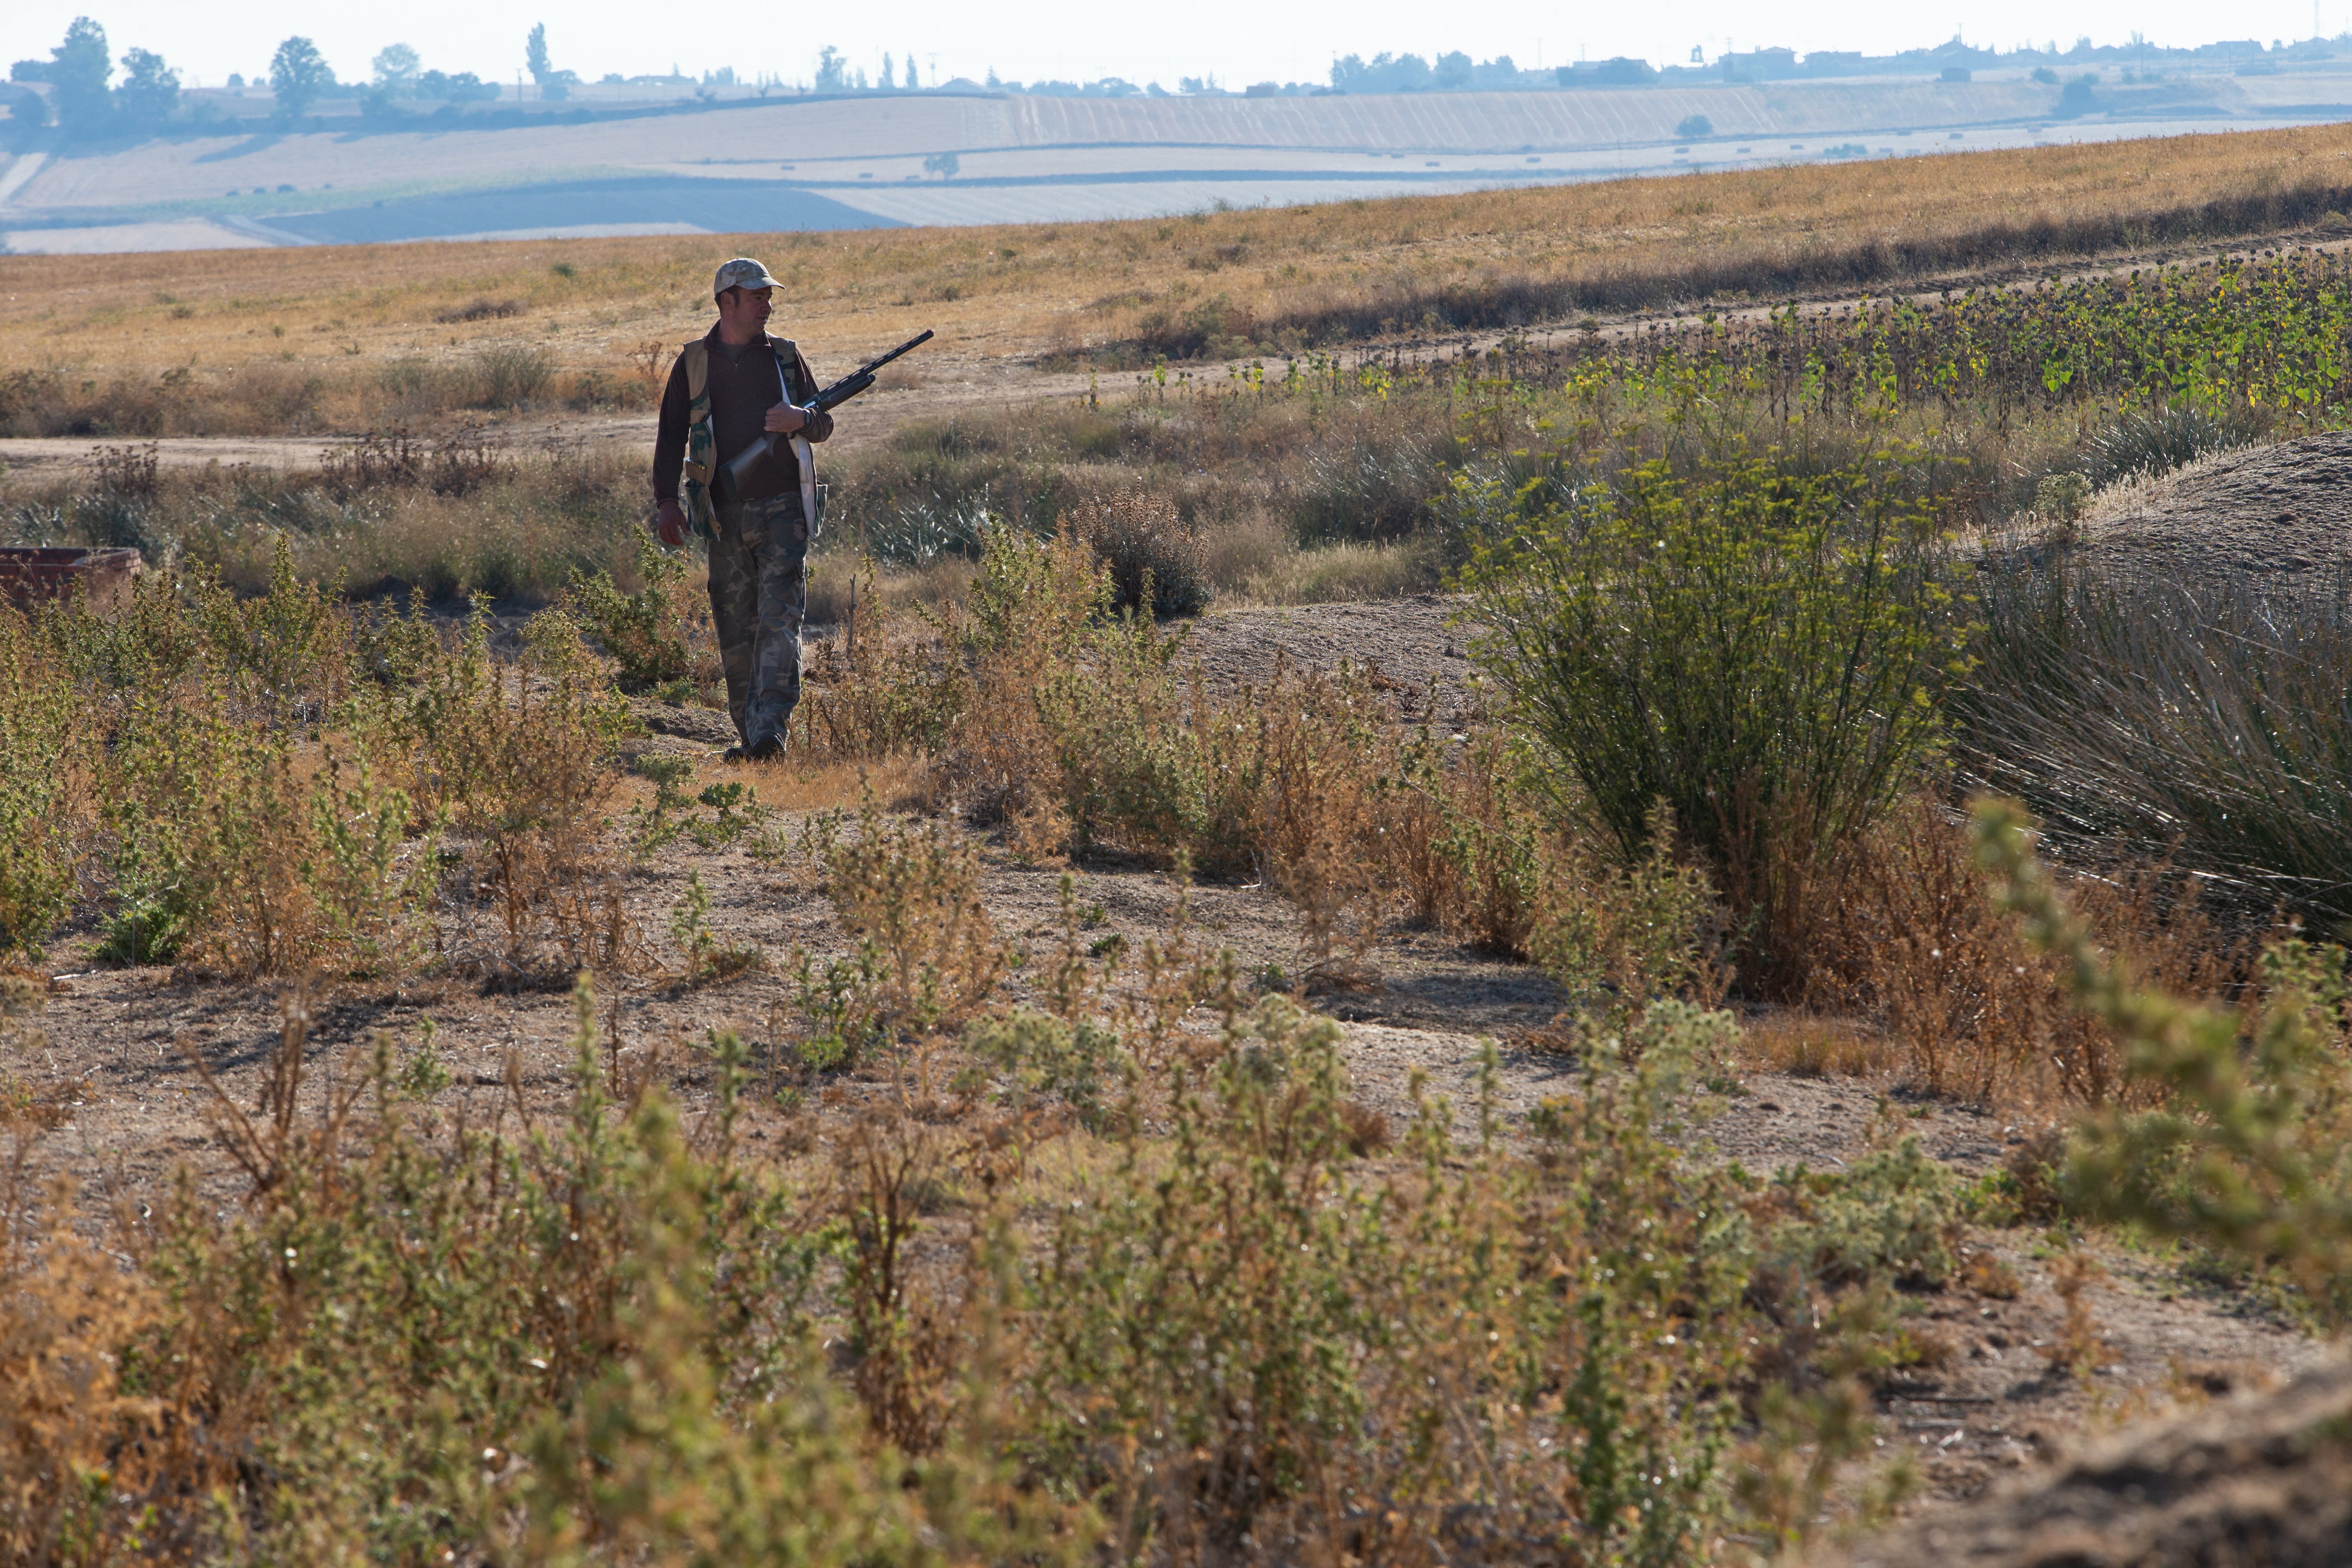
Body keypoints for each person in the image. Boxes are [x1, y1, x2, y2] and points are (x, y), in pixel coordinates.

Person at [650, 258, 834, 762]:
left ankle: (770, 730)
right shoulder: (693, 365)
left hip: (782, 511)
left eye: (768, 297)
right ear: (726, 302)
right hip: (721, 516)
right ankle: (751, 736)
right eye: (757, 297)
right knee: (736, 632)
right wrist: (668, 503)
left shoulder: (785, 358)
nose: (767, 306)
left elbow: (823, 423)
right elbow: (670, 439)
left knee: (780, 620)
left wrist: (802, 419)